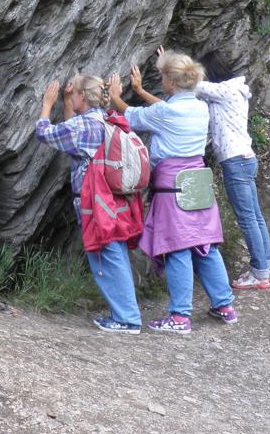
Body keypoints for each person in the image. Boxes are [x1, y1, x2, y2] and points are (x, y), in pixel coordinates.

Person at [108, 50, 238, 335]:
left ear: (170, 81)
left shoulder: (165, 112)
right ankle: (224, 305)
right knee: (205, 245)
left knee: (177, 248)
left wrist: (116, 96)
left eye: (162, 75)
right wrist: (141, 90)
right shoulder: (200, 107)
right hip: (198, 181)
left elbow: (131, 116)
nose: (160, 80)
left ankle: (180, 316)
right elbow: (164, 110)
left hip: (171, 187)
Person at [35, 75, 143, 334]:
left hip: (95, 202)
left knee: (107, 256)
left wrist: (47, 105)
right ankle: (126, 314)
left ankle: (127, 318)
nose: (72, 95)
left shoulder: (83, 126)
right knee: (115, 254)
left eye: (74, 93)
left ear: (82, 96)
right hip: (115, 198)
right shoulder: (109, 119)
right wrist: (66, 101)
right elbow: (74, 137)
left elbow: (45, 133)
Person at [196, 50, 270, 290]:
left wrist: (170, 65)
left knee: (248, 219)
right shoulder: (235, 90)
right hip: (245, 158)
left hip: (235, 161)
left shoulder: (225, 91)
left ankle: (259, 272)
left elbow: (193, 85)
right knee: (256, 216)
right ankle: (267, 266)